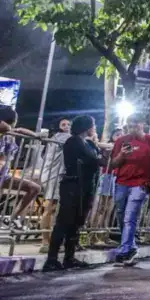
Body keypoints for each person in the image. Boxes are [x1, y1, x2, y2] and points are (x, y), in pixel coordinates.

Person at [42, 116, 104, 271]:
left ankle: (69, 257)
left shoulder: (88, 143)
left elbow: (98, 159)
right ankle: (52, 259)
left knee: (76, 223)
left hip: (85, 187)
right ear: (86, 127)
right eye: (93, 125)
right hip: (73, 185)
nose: (94, 128)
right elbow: (94, 160)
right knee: (63, 221)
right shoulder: (74, 141)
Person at [108, 118, 150, 266]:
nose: (133, 129)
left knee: (130, 217)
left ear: (142, 125)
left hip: (140, 183)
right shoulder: (121, 141)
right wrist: (122, 154)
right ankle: (131, 246)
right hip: (121, 182)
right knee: (121, 215)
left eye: (136, 126)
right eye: (130, 126)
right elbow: (112, 164)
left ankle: (124, 251)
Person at [0, 107, 43, 229]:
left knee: (34, 188)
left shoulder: (9, 134)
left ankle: (11, 219)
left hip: (3, 176)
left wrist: (36, 135)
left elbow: (19, 129)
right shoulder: (5, 131)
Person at [39, 118, 73, 248]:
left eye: (69, 124)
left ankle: (50, 240)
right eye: (63, 124)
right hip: (53, 175)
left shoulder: (56, 138)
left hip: (53, 175)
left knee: (53, 208)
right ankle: (45, 241)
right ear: (59, 126)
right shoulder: (62, 137)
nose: (67, 126)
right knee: (50, 207)